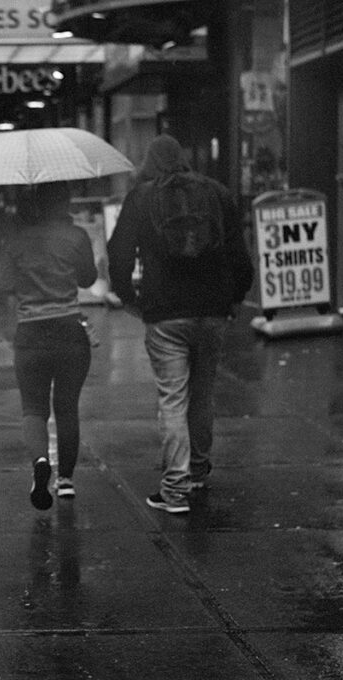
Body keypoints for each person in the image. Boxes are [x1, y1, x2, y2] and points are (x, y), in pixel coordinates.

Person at [107, 134, 253, 514]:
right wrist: (235, 297)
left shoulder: (141, 197)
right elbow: (239, 253)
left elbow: (118, 253)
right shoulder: (217, 193)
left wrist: (130, 299)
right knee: (202, 394)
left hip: (166, 312)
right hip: (212, 309)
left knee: (173, 398)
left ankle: (174, 489)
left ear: (151, 161)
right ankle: (199, 470)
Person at [0, 182, 97, 509]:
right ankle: (66, 481)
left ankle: (41, 461)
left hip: (30, 333)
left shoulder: (15, 239)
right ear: (65, 201)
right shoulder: (77, 236)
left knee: (33, 408)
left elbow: (5, 284)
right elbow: (88, 279)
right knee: (67, 406)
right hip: (70, 329)